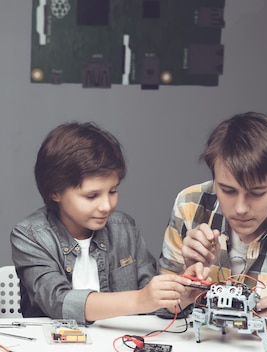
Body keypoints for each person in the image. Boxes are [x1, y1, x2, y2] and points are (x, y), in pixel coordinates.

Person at [159, 111, 267, 339]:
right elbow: (165, 309)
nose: (241, 208)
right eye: (228, 190)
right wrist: (188, 283)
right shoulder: (190, 206)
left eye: (257, 193)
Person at [10, 122, 207, 324]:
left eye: (113, 191)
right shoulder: (30, 235)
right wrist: (140, 299)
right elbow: (58, 302)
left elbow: (153, 304)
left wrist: (180, 296)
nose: (106, 205)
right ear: (55, 192)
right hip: (53, 350)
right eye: (91, 196)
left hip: (118, 348)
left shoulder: (125, 229)